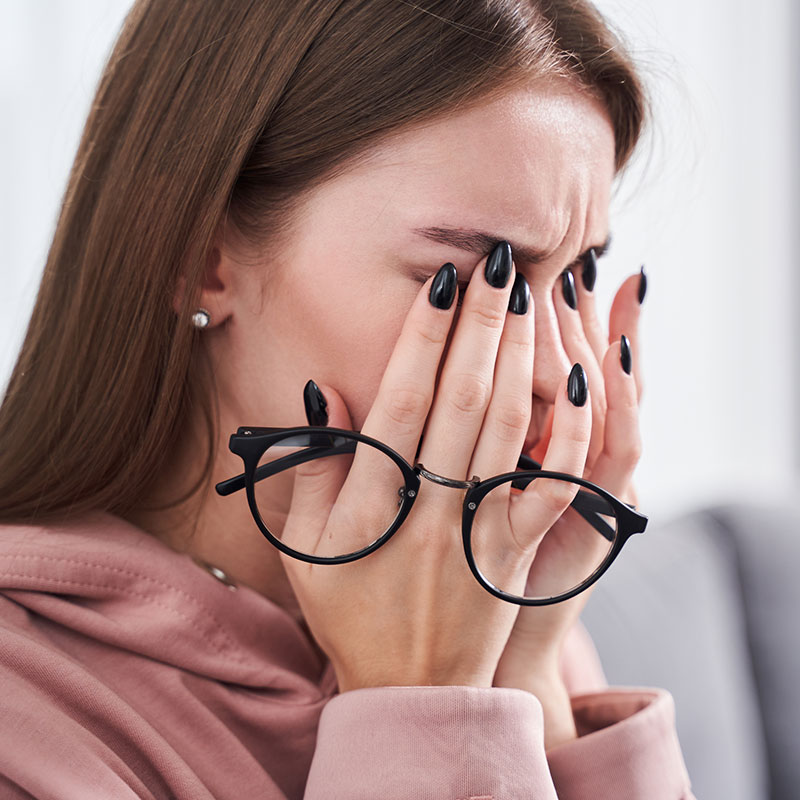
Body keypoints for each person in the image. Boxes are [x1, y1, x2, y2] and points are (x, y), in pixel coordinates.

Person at [0, 1, 695, 797]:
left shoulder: (496, 612)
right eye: (471, 277)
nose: (547, 374)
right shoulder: (24, 718)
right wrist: (425, 708)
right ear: (201, 255)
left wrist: (526, 671)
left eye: (574, 279)